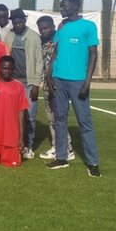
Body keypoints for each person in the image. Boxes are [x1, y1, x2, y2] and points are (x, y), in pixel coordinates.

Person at [46, 0, 101, 177]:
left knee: (84, 121)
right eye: (61, 5)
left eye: (64, 5)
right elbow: (55, 52)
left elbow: (93, 54)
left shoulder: (88, 26)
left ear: (75, 7)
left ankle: (92, 162)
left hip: (78, 82)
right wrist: (48, 74)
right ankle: (62, 158)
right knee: (60, 119)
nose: (61, 8)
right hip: (58, 80)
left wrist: (87, 82)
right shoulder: (62, 26)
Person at [3, 8, 43, 159]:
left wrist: (36, 84)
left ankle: (29, 146)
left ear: (25, 21)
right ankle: (15, 143)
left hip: (29, 83)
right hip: (13, 82)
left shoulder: (34, 37)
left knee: (30, 116)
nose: (18, 25)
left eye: (20, 22)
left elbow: (39, 62)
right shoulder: (9, 35)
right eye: (15, 22)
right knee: (13, 116)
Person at [36, 15, 74, 161]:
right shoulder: (42, 41)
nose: (43, 31)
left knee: (58, 117)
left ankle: (63, 148)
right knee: (52, 118)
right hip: (47, 85)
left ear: (53, 27)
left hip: (57, 84)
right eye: (41, 29)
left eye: (46, 28)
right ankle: (62, 147)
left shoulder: (60, 39)